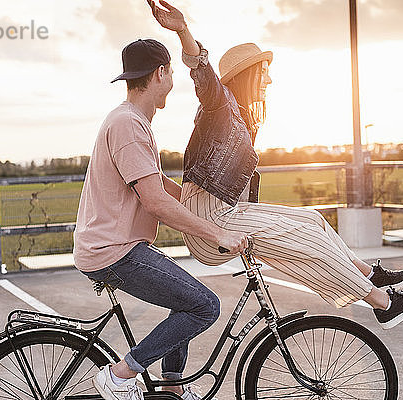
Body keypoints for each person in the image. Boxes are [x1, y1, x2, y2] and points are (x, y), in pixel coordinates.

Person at [148, 0, 403, 329]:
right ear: (247, 75)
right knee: (310, 244)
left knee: (313, 220)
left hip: (225, 214)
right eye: (264, 72)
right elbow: (203, 74)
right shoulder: (221, 106)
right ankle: (384, 304)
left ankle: (371, 274)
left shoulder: (241, 119)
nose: (268, 80)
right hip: (210, 224)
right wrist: (183, 30)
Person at [73, 38, 247, 400]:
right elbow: (155, 202)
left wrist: (202, 205)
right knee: (205, 305)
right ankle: (120, 376)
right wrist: (215, 232)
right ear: (161, 73)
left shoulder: (131, 120)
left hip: (117, 246)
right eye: (171, 71)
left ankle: (171, 387)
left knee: (184, 296)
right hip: (114, 252)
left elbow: (159, 185)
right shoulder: (128, 125)